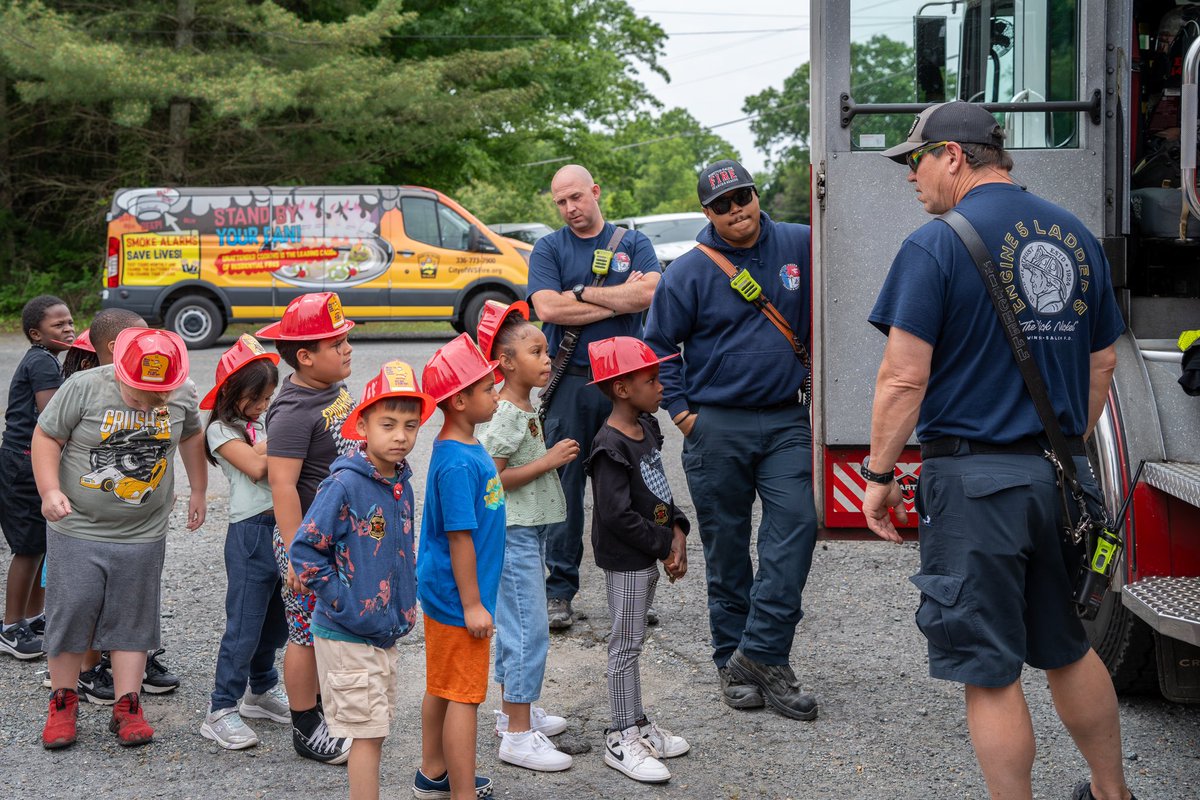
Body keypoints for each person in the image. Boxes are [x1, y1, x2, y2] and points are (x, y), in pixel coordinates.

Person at [862, 101, 1135, 800]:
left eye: (915, 159)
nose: (909, 176)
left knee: (988, 670)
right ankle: (1113, 794)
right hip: (1059, 481)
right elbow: (1103, 360)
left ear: (955, 155)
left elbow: (902, 377)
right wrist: (1063, 443)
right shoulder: (1075, 235)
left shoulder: (935, 245)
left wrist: (879, 475)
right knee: (1068, 649)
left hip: (975, 483)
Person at [643, 158, 819, 721]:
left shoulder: (802, 243)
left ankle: (761, 654)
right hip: (716, 426)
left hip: (788, 421)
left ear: (754, 193)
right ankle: (729, 661)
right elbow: (659, 347)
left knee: (796, 527)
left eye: (742, 196)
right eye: (721, 205)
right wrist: (682, 413)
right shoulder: (688, 272)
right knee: (726, 549)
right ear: (707, 212)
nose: (736, 210)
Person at [32, 327, 207, 749]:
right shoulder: (84, 386)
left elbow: (192, 435)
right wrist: (50, 490)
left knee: (134, 616)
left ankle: (127, 706)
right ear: (121, 372)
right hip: (78, 527)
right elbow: (46, 437)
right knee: (72, 611)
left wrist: (199, 490)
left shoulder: (181, 391)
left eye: (159, 395)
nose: (152, 402)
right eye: (141, 394)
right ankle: (63, 701)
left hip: (142, 533)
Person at [527, 164, 661, 629]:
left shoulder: (633, 242)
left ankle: (638, 589)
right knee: (563, 487)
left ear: (595, 192)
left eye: (577, 198)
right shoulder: (549, 247)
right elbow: (546, 307)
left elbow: (648, 294)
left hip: (623, 384)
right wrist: (613, 299)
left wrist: (580, 294)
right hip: (569, 381)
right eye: (561, 202)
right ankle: (559, 591)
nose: (570, 209)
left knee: (635, 485)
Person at [290, 360, 431, 800]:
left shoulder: (399, 483)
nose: (400, 436)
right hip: (348, 632)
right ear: (362, 424)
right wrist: (345, 604)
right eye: (387, 424)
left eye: (410, 425)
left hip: (383, 632)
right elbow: (305, 550)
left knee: (375, 729)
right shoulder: (345, 485)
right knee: (366, 736)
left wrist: (403, 608)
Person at [257, 291, 357, 765]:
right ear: (305, 356)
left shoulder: (333, 389)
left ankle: (329, 708)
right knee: (305, 632)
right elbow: (282, 486)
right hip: (308, 543)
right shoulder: (293, 410)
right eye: (337, 343)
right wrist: (300, 555)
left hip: (344, 537)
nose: (348, 349)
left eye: (346, 340)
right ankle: (305, 725)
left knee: (333, 627)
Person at [475, 300, 576, 772]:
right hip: (512, 534)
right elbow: (491, 480)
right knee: (527, 630)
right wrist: (547, 462)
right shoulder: (507, 415)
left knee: (518, 629)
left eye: (546, 350)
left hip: (526, 532)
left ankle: (514, 712)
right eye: (536, 351)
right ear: (506, 362)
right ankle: (517, 734)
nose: (547, 357)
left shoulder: (521, 405)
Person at [584, 336, 690, 784]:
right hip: (628, 557)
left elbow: (659, 491)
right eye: (652, 379)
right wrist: (663, 544)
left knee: (633, 641)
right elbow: (616, 514)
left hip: (647, 550)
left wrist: (679, 528)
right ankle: (621, 735)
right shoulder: (609, 446)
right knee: (625, 645)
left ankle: (638, 722)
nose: (661, 386)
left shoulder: (646, 427)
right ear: (622, 389)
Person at [414, 333, 504, 800]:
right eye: (488, 389)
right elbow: (459, 537)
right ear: (461, 399)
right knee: (464, 697)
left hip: (447, 592)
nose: (496, 393)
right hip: (456, 598)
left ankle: (433, 773)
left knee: (443, 686)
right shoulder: (457, 463)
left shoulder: (463, 448)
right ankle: (463, 793)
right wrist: (473, 604)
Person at [199, 334, 289, 750]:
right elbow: (255, 466)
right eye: (257, 398)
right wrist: (290, 440)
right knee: (245, 626)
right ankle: (221, 708)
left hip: (282, 526)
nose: (264, 405)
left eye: (269, 397)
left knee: (277, 622)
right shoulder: (219, 430)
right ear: (233, 393)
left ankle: (260, 690)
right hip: (250, 532)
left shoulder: (262, 424)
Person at [0, 295, 74, 661]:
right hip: (22, 465)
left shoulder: (48, 360)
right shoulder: (42, 364)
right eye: (58, 325)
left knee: (42, 543)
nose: (69, 329)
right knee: (28, 547)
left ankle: (34, 617)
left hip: (32, 463)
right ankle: (11, 627)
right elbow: (52, 417)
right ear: (36, 333)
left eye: (70, 322)